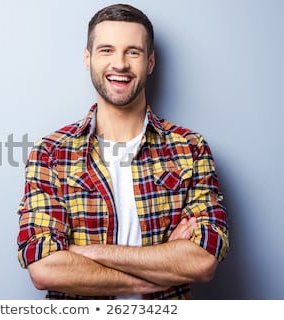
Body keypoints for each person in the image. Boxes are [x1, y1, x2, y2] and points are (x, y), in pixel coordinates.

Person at [16, 3, 229, 299]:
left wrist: (81, 252)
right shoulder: (50, 153)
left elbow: (203, 261)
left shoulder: (190, 148)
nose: (120, 64)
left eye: (133, 52)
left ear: (150, 62)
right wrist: (161, 267)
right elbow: (44, 267)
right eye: (106, 50)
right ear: (87, 59)